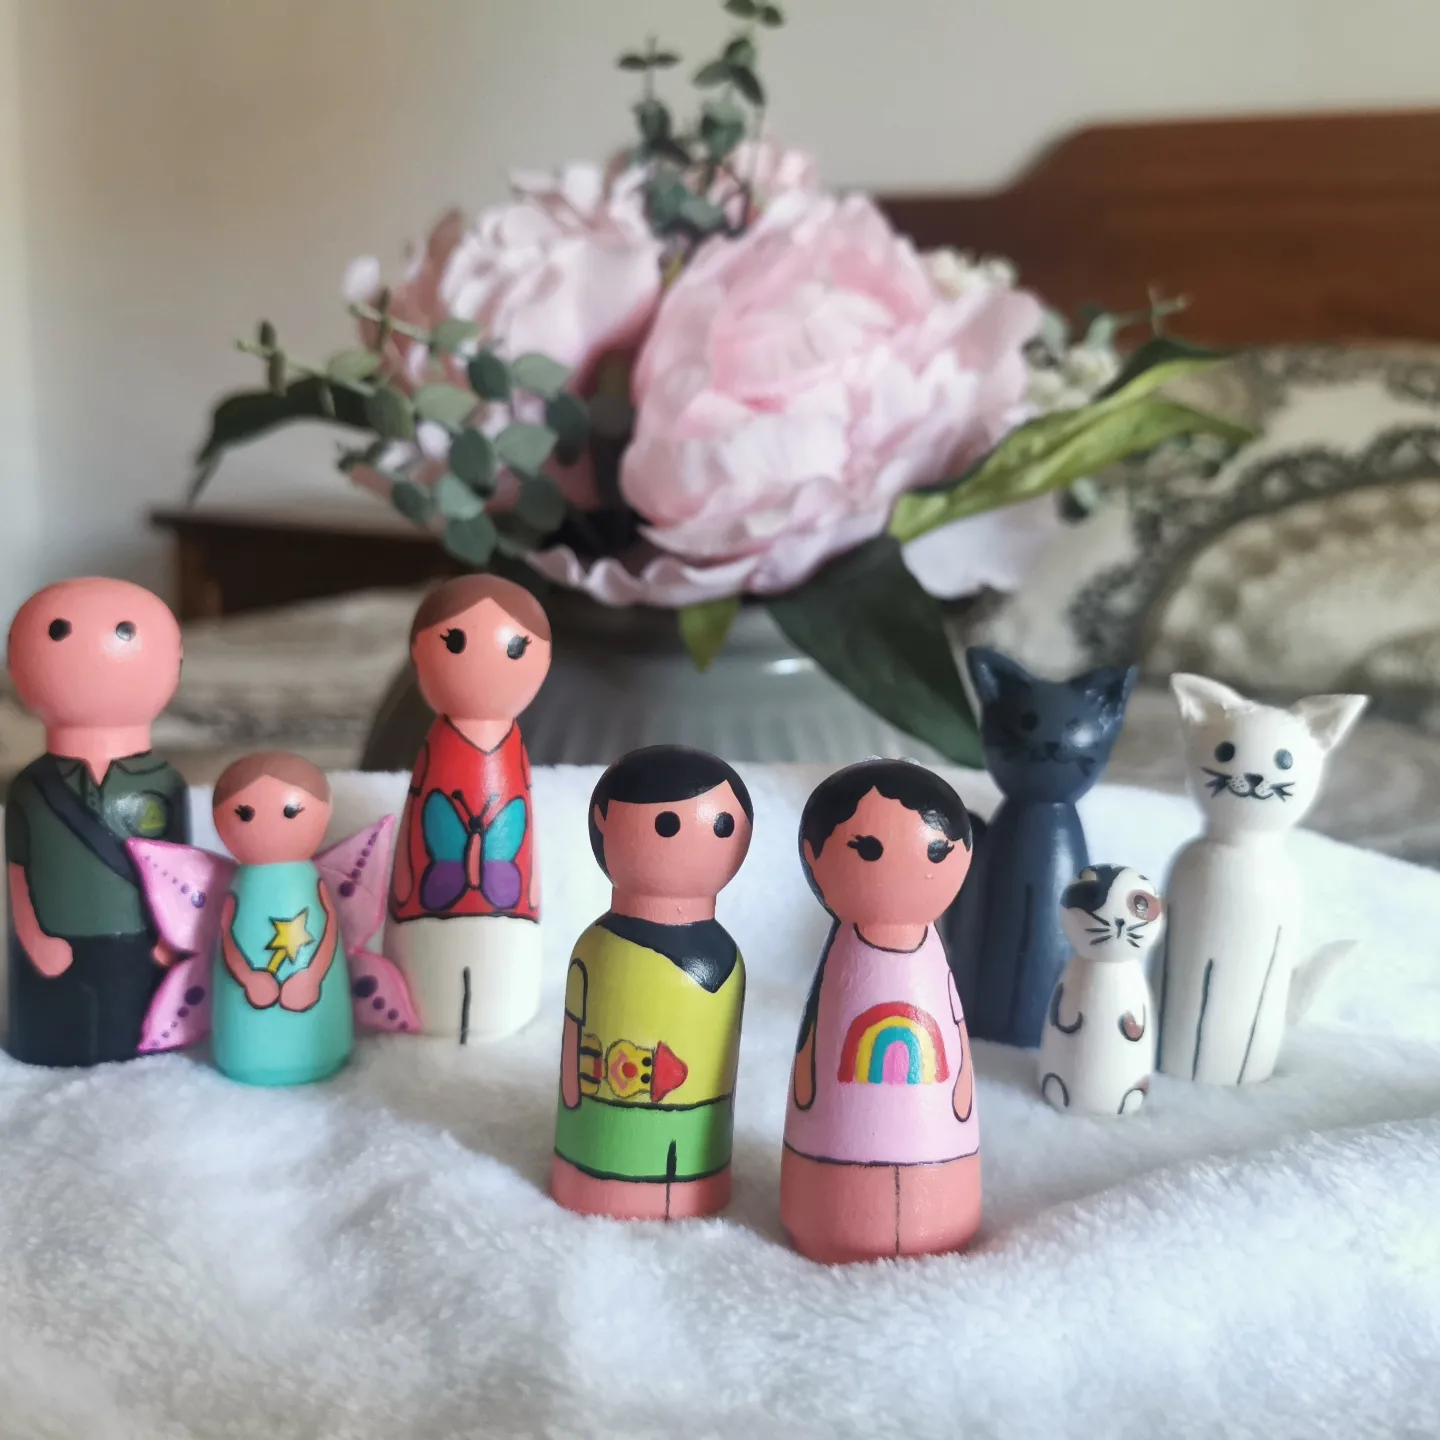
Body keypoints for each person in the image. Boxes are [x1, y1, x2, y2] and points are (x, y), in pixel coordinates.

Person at [781, 759, 981, 1263]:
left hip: (941, 1166)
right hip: (829, 1174)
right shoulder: (844, 960)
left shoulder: (928, 961)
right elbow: (815, 1040)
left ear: (962, 854)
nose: (905, 864)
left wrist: (959, 1087)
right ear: (813, 856)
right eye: (867, 849)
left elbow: (954, 1027)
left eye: (936, 852)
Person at [551, 745, 753, 1221]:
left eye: (723, 826)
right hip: (599, 1137)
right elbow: (576, 1028)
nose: (701, 838)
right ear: (603, 822)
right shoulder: (599, 949)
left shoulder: (726, 959)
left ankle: (691, 1183)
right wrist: (574, 1093)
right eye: (666, 824)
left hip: (697, 1141)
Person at [5, 578, 188, 1066]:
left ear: (175, 663)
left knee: (137, 1028)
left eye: (127, 632)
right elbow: (18, 870)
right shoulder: (31, 787)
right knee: (55, 1028)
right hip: (54, 944)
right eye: (56, 632)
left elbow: (180, 874)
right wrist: (34, 937)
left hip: (143, 945)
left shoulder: (163, 783)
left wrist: (170, 939)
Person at [387, 575, 552, 1043]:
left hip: (508, 904)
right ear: (418, 654)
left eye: (516, 648)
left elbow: (525, 838)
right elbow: (417, 819)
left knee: (496, 982)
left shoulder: (511, 749)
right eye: (454, 642)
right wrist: (406, 889)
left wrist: (529, 894)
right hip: (428, 902)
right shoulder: (439, 746)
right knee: (433, 986)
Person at [210, 752, 354, 1087]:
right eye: (244, 814)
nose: (265, 826)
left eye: (290, 812)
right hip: (245, 1040)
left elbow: (327, 933)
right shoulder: (243, 884)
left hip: (313, 1017)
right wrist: (248, 978)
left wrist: (312, 977)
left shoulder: (307, 881)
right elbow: (229, 937)